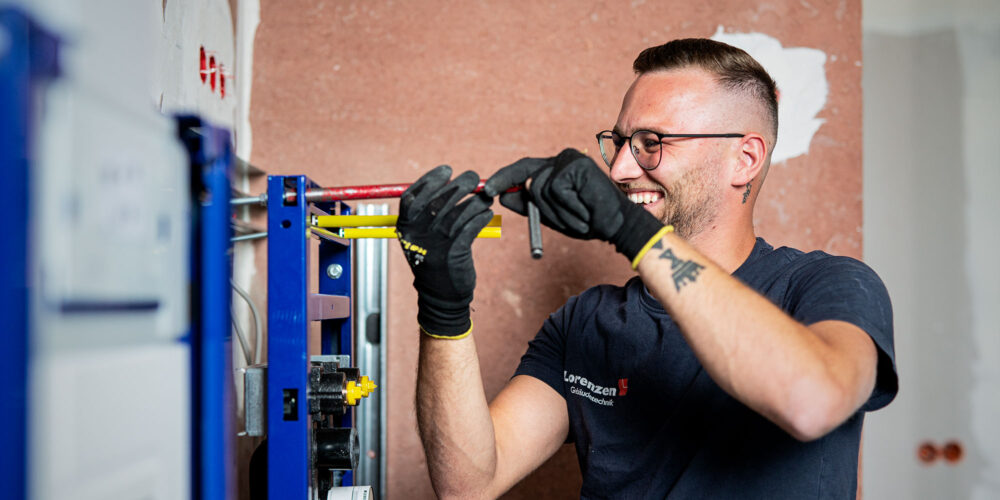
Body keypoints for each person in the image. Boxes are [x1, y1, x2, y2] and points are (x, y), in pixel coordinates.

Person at [394, 38, 897, 499]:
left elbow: (811, 402)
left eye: (652, 143)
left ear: (744, 159)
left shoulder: (827, 285)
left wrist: (632, 232)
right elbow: (468, 484)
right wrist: (443, 310)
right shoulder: (585, 323)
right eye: (619, 142)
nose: (619, 170)